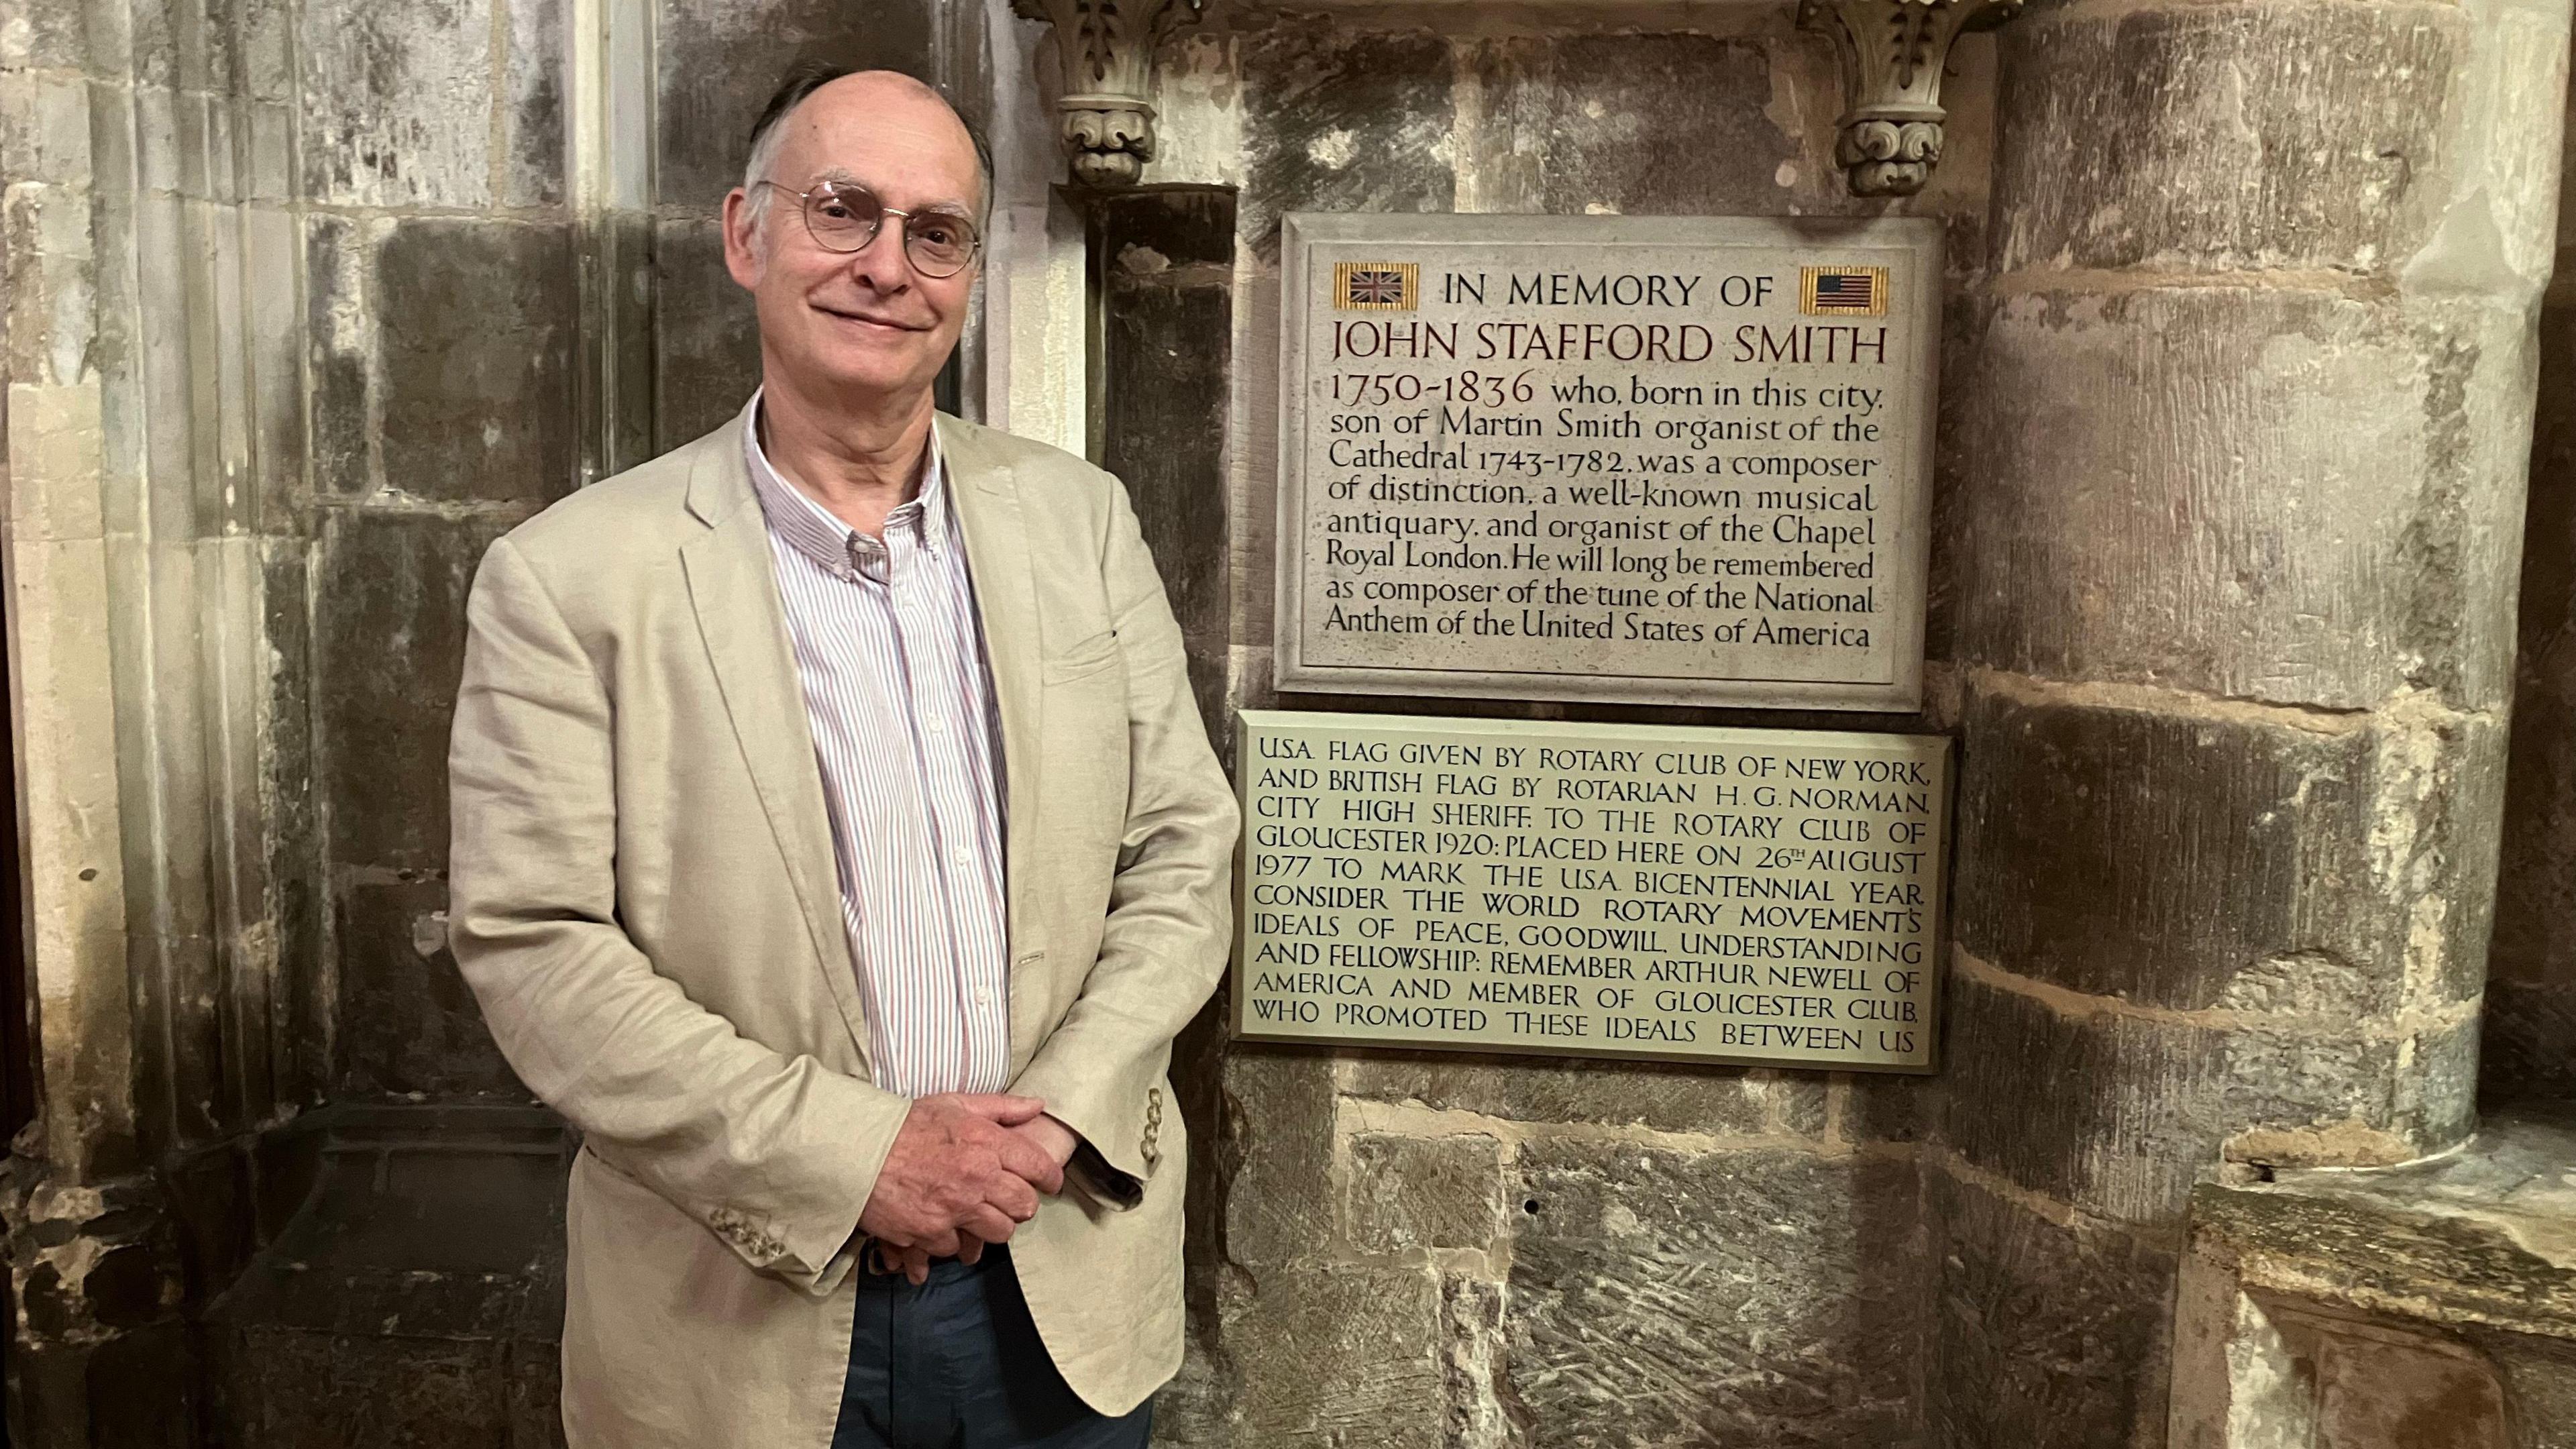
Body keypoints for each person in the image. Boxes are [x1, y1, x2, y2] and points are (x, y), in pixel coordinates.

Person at [445, 63, 1237, 1449]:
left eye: (936, 233)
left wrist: (1052, 1122)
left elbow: (1182, 849)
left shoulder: (1079, 523)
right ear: (749, 234)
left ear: (972, 276)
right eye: (844, 211)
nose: (890, 266)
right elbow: (536, 945)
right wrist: (861, 1158)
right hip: (736, 1322)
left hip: (1057, 1286)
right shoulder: (572, 577)